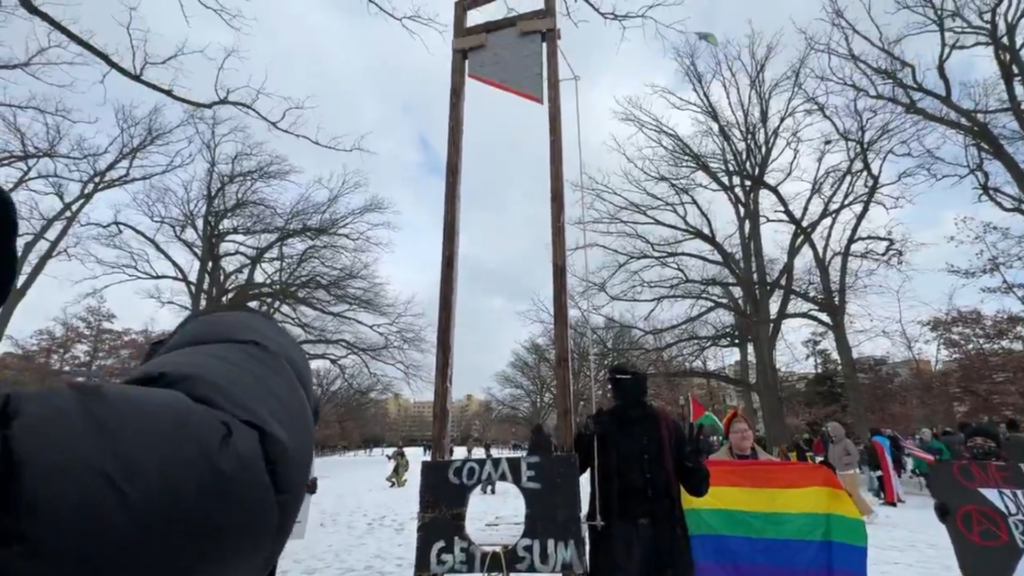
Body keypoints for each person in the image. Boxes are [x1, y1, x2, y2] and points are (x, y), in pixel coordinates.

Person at [574, 364, 709, 576]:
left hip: (662, 540)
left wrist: (693, 461)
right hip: (616, 541)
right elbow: (570, 473)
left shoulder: (667, 426)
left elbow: (698, 487)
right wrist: (584, 440)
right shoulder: (602, 426)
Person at [935, 424, 1004, 524]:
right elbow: (952, 495)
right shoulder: (959, 471)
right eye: (972, 441)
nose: (978, 445)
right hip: (975, 527)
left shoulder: (1010, 469)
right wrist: (944, 507)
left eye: (985, 442)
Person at [826, 422, 875, 520]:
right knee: (846, 493)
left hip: (850, 471)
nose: (830, 432)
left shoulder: (846, 442)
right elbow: (831, 456)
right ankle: (855, 512)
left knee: (854, 493)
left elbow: (855, 455)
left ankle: (869, 512)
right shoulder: (832, 443)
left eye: (831, 430)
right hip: (839, 471)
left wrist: (844, 460)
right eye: (828, 430)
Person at [709, 409, 776, 460]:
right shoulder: (716, 463)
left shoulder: (770, 462)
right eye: (738, 431)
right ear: (729, 436)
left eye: (746, 430)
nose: (744, 435)